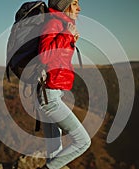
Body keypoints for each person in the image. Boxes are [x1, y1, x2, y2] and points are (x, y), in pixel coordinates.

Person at [37, 0, 91, 168]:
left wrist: (69, 38)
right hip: (49, 97)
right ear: (63, 5)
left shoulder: (62, 26)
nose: (79, 8)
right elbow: (44, 56)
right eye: (74, 3)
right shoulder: (53, 23)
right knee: (83, 141)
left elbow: (57, 61)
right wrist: (66, 36)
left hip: (53, 93)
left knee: (54, 148)